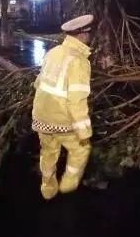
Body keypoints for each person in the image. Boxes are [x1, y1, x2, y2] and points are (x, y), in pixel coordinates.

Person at [32, 14, 94, 200]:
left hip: (40, 116)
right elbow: (77, 102)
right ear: (82, 35)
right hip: (61, 119)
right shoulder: (79, 61)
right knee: (80, 150)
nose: (90, 36)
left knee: (48, 152)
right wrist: (84, 133)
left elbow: (37, 83)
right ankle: (67, 187)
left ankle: (47, 188)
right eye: (88, 33)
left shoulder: (53, 52)